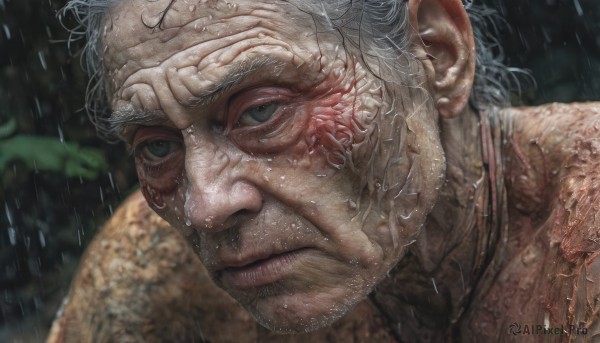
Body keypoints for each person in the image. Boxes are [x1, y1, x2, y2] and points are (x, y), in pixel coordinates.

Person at [49, 0, 600, 341]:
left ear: (436, 54)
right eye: (157, 147)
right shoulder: (157, 282)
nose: (207, 206)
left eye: (262, 112)